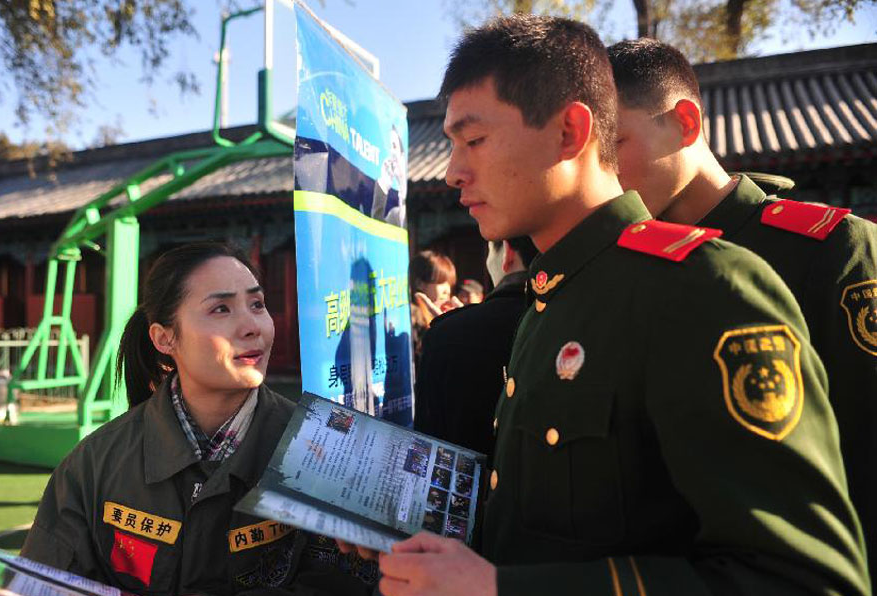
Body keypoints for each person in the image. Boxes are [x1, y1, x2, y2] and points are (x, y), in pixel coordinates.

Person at [342, 15, 868, 596]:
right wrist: (428, 536)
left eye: (474, 141)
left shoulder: (705, 288)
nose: (452, 173)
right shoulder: (551, 298)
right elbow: (550, 530)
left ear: (570, 132)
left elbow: (802, 579)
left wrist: (498, 590)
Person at [609, 37, 877, 578]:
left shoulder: (832, 250)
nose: (605, 174)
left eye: (616, 145)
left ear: (686, 122)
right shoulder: (622, 268)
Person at [21, 242, 377, 595]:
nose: (253, 326)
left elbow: (347, 584)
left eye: (257, 304)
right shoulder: (95, 464)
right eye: (221, 309)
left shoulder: (326, 452)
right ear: (164, 338)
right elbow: (42, 584)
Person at [414, 237, 537, 457]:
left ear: (507, 254)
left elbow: (427, 449)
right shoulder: (577, 320)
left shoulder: (446, 336)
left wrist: (453, 329)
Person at [408, 250, 458, 364]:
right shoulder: (412, 317)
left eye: (449, 284)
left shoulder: (440, 313)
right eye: (441, 283)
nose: (448, 290)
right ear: (419, 284)